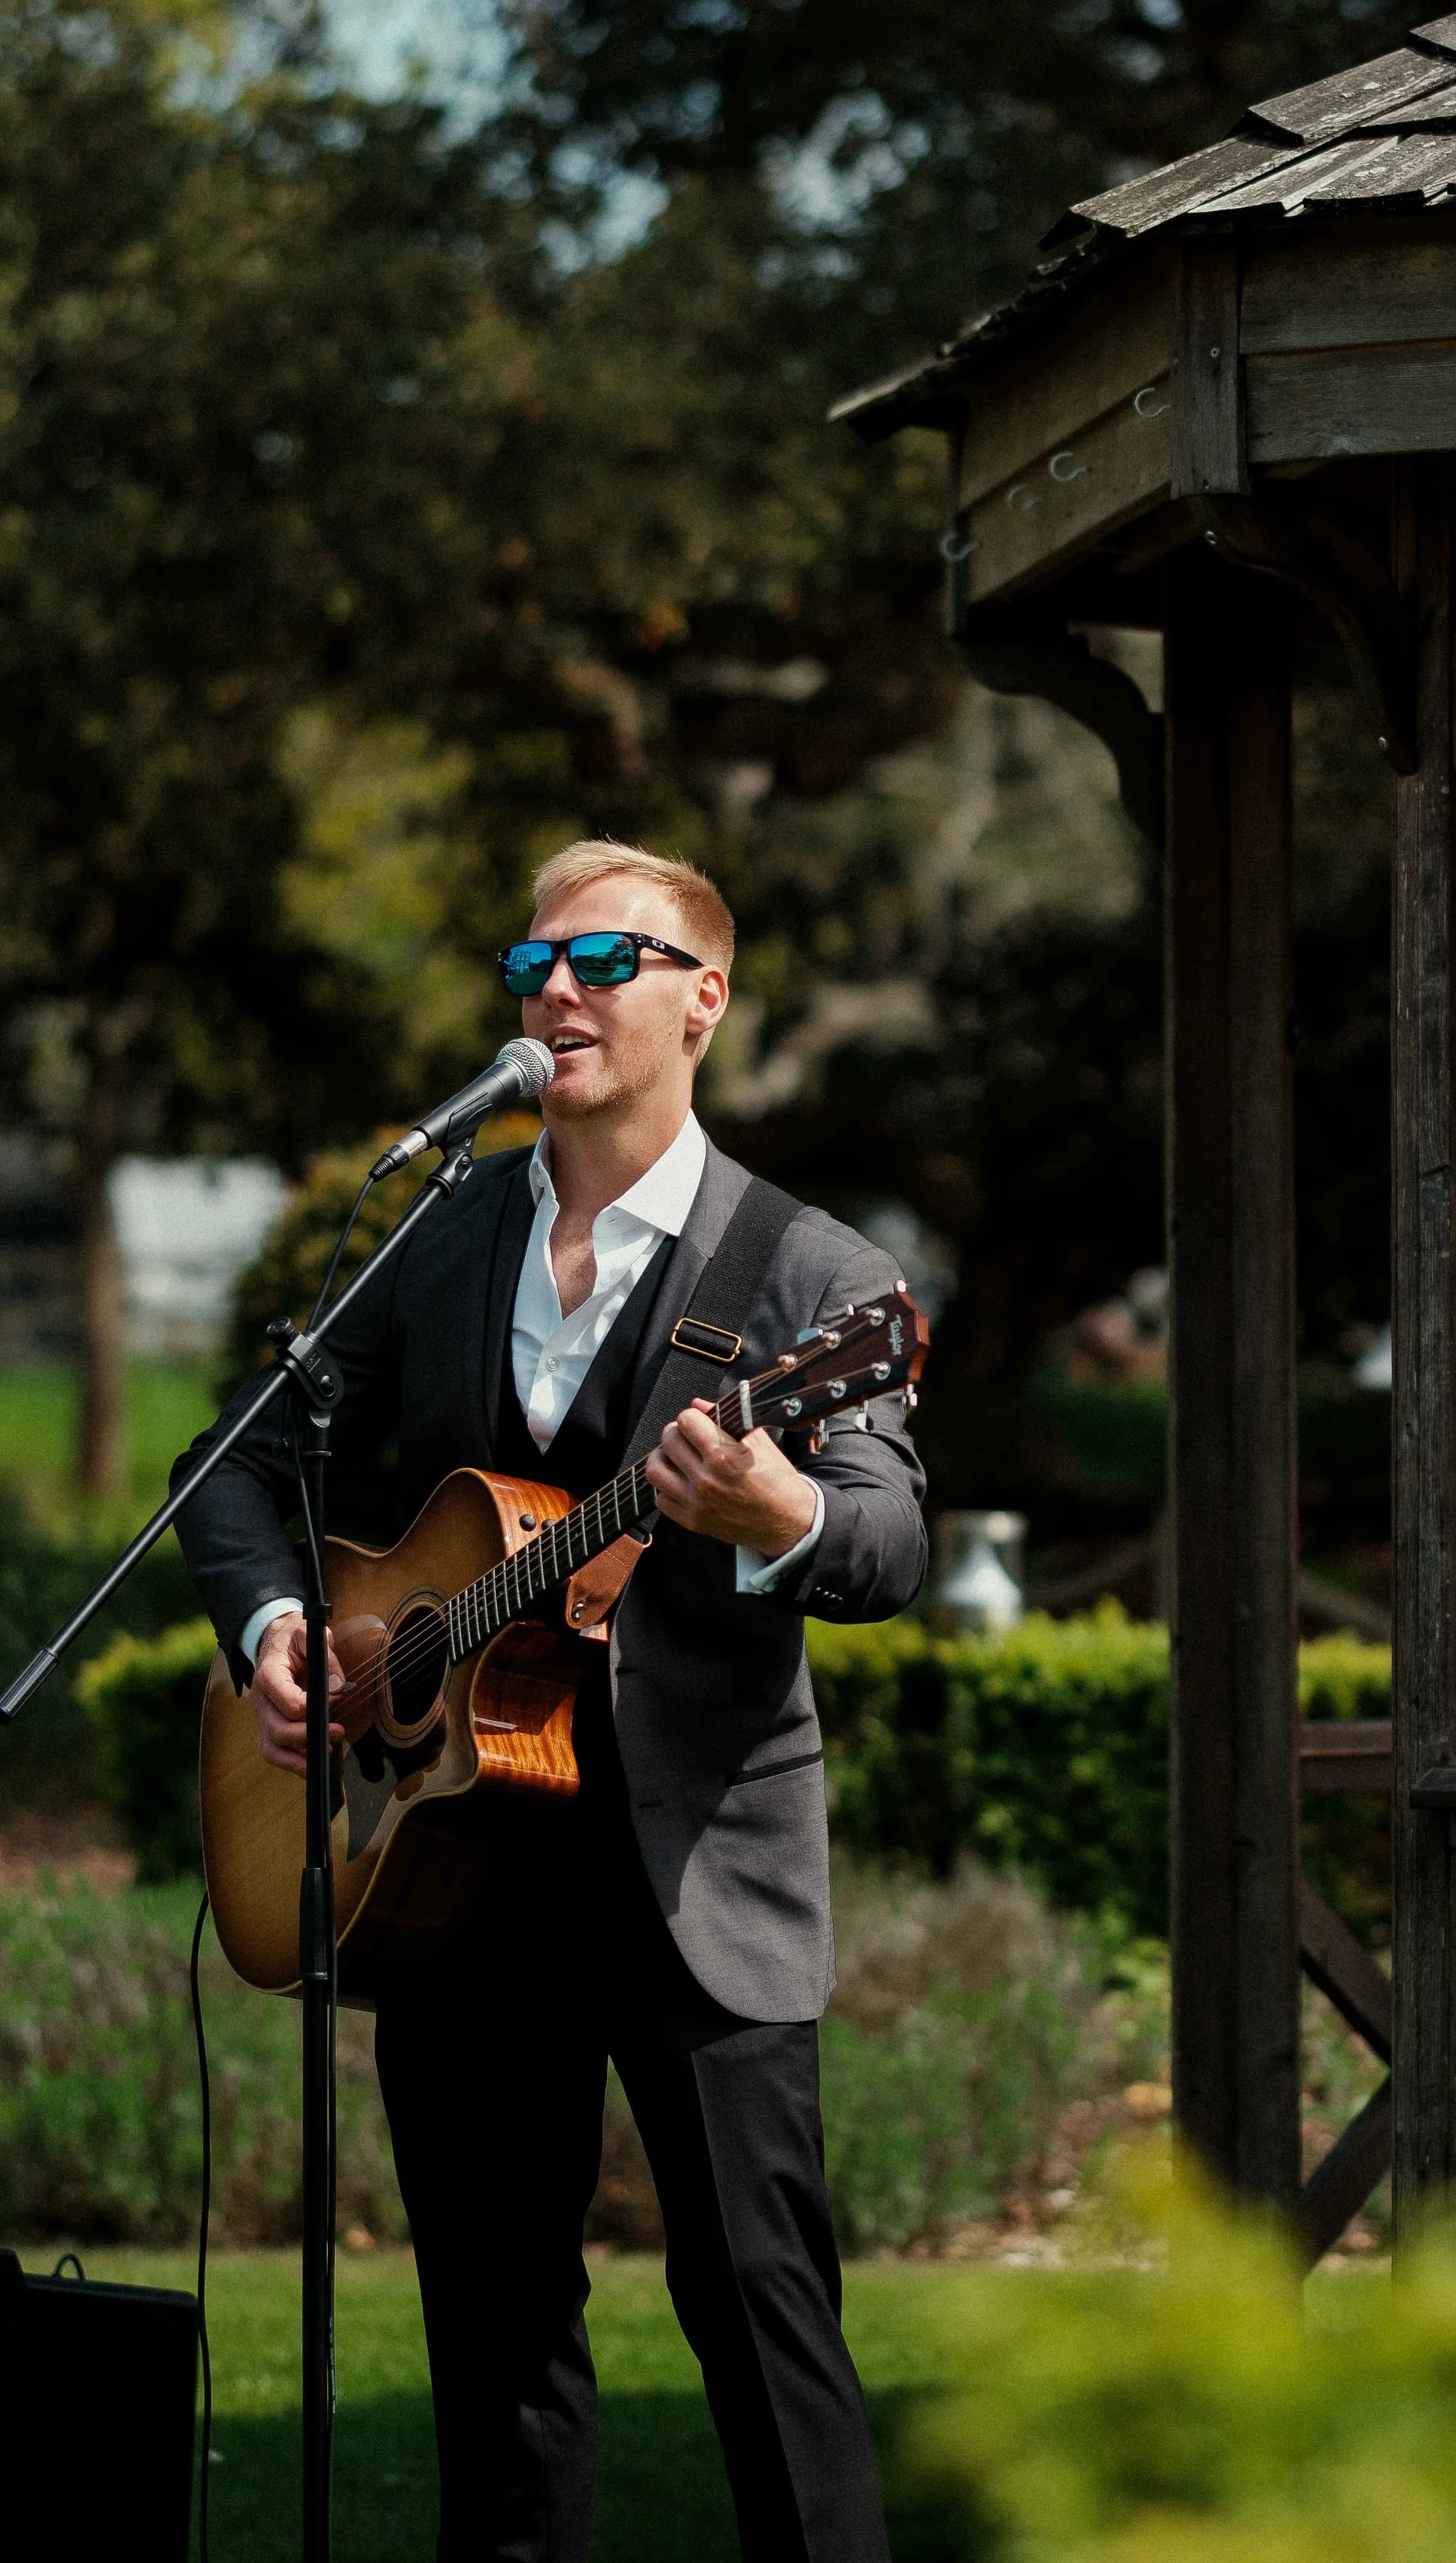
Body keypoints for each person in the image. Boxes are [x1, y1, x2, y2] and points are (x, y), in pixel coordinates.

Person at [173, 837, 927, 2563]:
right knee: (495, 2355)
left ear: (704, 1000)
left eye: (604, 960)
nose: (560, 993)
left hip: (694, 1875)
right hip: (449, 1870)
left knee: (762, 2330)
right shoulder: (441, 1238)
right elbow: (227, 1460)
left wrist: (774, 1513)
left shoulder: (814, 1282)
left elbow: (884, 1539)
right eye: (534, 969)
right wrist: (286, 1622)